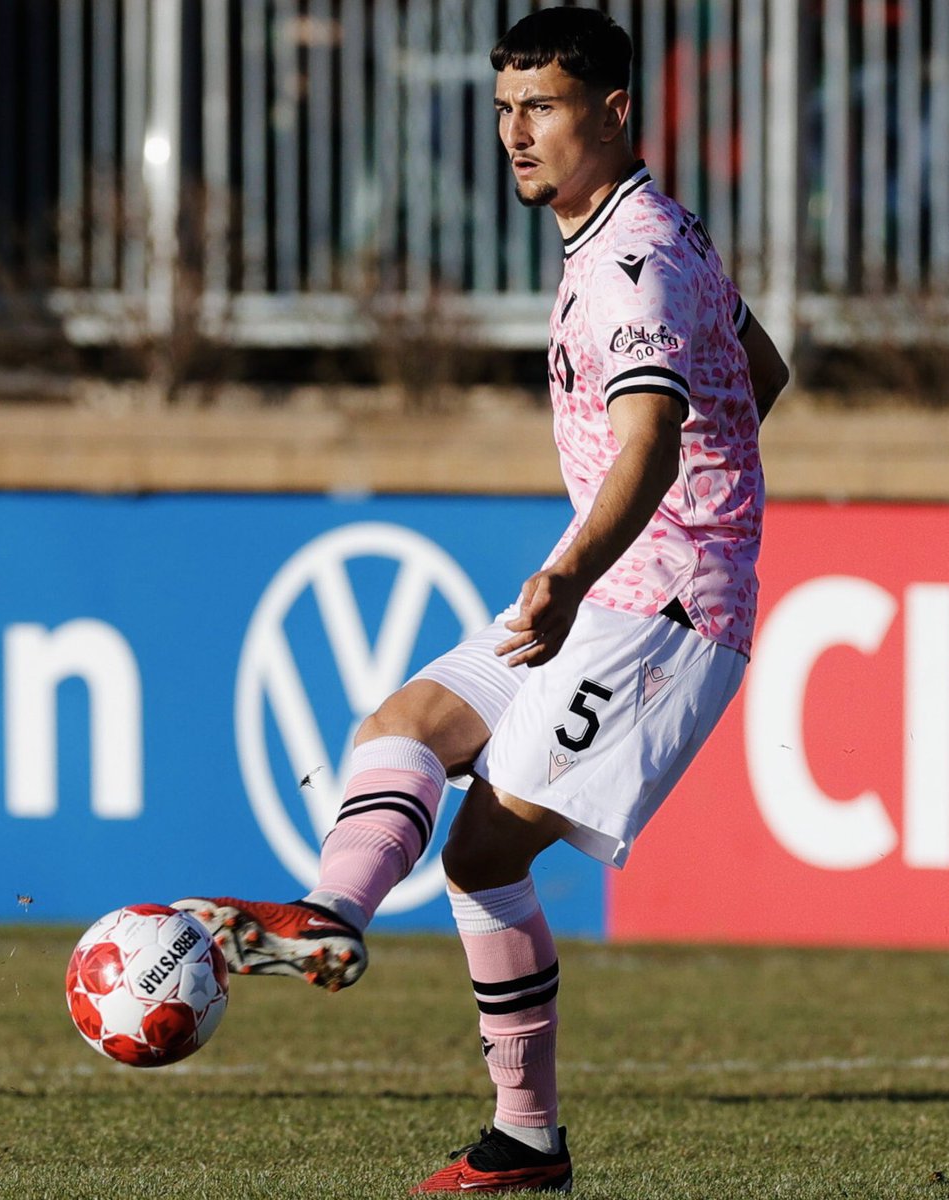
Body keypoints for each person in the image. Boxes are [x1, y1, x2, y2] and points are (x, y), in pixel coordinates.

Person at [176, 7, 788, 1193]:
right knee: (398, 730)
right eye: (505, 107)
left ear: (612, 112)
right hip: (610, 583)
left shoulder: (633, 260)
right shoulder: (642, 234)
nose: (516, 132)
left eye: (543, 107)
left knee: (482, 854)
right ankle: (331, 915)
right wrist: (701, 487)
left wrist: (597, 564)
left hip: (655, 611)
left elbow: (653, 444)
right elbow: (761, 372)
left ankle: (525, 1140)